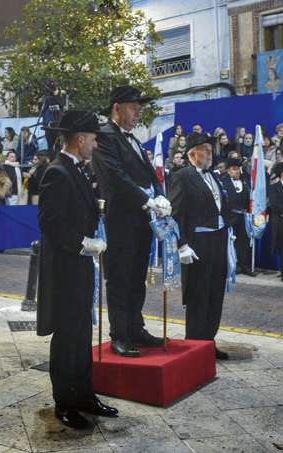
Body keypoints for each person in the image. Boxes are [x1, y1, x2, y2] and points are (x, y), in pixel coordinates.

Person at [37, 110, 118, 430]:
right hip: (66, 268)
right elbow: (50, 223)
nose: (96, 145)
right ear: (80, 139)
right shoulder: (57, 172)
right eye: (94, 139)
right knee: (67, 335)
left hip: (81, 265)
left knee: (82, 332)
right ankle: (64, 401)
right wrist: (83, 242)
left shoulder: (79, 170)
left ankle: (84, 394)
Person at [92, 86, 170, 357]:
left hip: (141, 219)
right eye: (133, 106)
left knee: (137, 277)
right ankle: (120, 335)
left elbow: (150, 174)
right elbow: (114, 177)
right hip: (121, 217)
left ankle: (135, 327)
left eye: (140, 107)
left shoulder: (133, 139)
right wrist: (145, 199)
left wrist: (160, 196)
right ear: (117, 107)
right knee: (120, 277)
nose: (138, 112)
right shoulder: (105, 136)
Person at [169, 132, 230, 359]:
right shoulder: (182, 176)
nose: (210, 153)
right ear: (193, 153)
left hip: (218, 240)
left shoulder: (213, 176)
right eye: (206, 149)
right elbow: (174, 215)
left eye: (211, 149)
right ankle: (194, 344)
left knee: (215, 292)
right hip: (198, 243)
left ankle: (208, 341)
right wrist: (181, 244)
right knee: (199, 294)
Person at [220, 158, 255, 277]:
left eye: (238, 169)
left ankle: (243, 266)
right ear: (228, 171)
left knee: (243, 242)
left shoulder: (245, 182)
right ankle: (229, 266)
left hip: (243, 216)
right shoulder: (223, 183)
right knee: (229, 242)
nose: (237, 172)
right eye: (234, 169)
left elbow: (249, 200)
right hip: (230, 216)